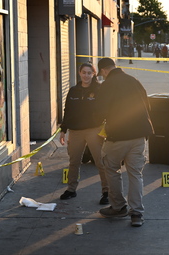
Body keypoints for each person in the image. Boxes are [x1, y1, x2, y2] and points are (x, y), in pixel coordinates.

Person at [95, 58, 154, 227]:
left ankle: (118, 206)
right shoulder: (134, 80)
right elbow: (147, 106)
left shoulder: (107, 84)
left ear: (104, 71)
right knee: (135, 173)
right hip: (139, 137)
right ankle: (136, 214)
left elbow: (100, 111)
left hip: (117, 136)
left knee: (111, 169)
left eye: (102, 74)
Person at [59, 62, 109, 205]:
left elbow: (106, 108)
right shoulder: (73, 90)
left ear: (94, 74)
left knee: (100, 161)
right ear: (79, 73)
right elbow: (67, 111)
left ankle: (106, 191)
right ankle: (71, 189)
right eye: (84, 72)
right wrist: (63, 130)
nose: (86, 75)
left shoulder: (99, 89)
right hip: (75, 131)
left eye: (89, 73)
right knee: (74, 161)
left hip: (94, 130)